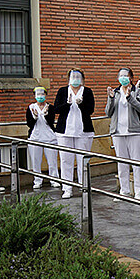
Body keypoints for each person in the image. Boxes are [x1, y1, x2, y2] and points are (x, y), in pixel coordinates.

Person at [106, 68, 140, 199]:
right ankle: (124, 191)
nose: (123, 78)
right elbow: (108, 112)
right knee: (121, 163)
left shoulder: (138, 91)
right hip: (118, 132)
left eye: (126, 76)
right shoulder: (116, 92)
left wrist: (130, 97)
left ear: (131, 78)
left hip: (135, 132)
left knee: (137, 162)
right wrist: (111, 98)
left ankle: (138, 191)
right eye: (120, 76)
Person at [53, 69, 95, 199]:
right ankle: (67, 188)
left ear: (82, 79)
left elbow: (90, 110)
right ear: (68, 78)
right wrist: (68, 103)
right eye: (73, 77)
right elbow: (56, 109)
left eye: (78, 77)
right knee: (66, 160)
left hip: (83, 131)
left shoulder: (87, 91)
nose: (75, 79)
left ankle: (84, 186)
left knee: (82, 160)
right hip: (65, 132)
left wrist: (81, 104)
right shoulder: (62, 91)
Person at [25, 86, 59, 189]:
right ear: (35, 96)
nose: (40, 96)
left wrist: (46, 114)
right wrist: (35, 116)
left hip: (49, 138)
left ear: (45, 95)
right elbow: (29, 123)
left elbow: (51, 121)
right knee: (36, 161)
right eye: (38, 94)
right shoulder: (31, 107)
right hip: (35, 137)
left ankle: (54, 180)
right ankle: (37, 180)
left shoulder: (50, 107)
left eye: (42, 94)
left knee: (52, 161)